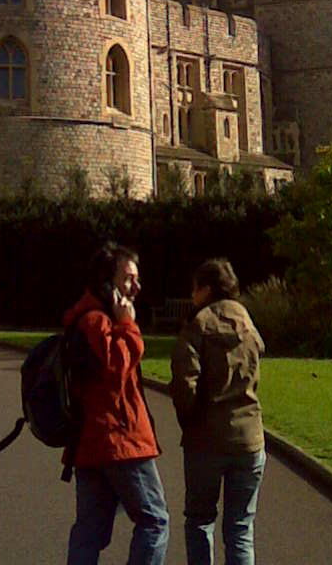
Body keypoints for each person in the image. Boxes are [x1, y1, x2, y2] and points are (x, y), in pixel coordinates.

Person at [63, 242, 169, 565]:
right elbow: (116, 367)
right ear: (107, 283)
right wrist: (128, 326)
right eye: (127, 279)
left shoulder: (88, 318)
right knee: (154, 521)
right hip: (118, 441)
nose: (135, 287)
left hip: (95, 444)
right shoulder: (95, 322)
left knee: (89, 532)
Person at [170, 259, 266, 565]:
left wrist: (189, 421)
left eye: (195, 288)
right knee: (240, 527)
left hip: (206, 440)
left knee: (200, 520)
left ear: (206, 289)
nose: (192, 294)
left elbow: (185, 385)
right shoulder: (248, 324)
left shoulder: (197, 326)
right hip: (249, 438)